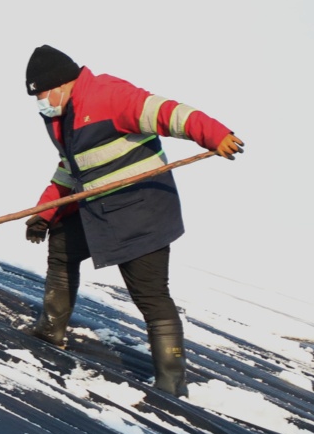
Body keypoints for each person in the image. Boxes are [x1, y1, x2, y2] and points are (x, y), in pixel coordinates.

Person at [21, 45, 243, 397]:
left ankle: (171, 382)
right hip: (99, 210)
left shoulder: (108, 95)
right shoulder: (61, 116)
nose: (40, 103)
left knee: (151, 296)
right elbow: (73, 168)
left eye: (42, 94)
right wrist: (44, 213)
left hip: (142, 212)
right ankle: (51, 329)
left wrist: (215, 135)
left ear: (62, 84)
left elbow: (168, 113)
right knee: (62, 248)